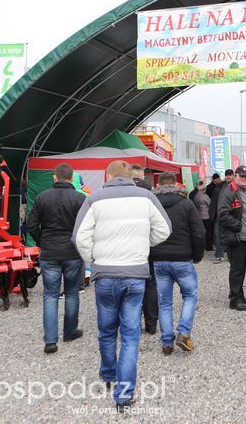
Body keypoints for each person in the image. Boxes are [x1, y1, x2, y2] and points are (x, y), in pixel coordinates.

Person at [74, 160, 171, 411]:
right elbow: (164, 229)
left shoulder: (93, 200)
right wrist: (143, 244)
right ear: (131, 176)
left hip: (105, 274)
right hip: (135, 274)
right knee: (130, 336)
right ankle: (125, 393)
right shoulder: (147, 197)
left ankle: (108, 373)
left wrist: (93, 261)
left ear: (108, 175)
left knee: (106, 330)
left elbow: (80, 237)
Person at [26, 163, 87, 354]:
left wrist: (42, 241)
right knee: (71, 293)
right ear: (71, 179)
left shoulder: (42, 197)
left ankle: (50, 340)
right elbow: (85, 226)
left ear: (55, 178)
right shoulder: (80, 198)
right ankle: (70, 331)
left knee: (50, 296)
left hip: (50, 252)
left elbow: (31, 225)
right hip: (72, 252)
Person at [151, 172, 205, 354]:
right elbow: (199, 232)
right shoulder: (186, 203)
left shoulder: (153, 205)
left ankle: (167, 343)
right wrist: (197, 255)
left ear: (158, 184)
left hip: (158, 258)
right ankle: (183, 332)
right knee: (190, 296)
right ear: (176, 183)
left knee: (164, 302)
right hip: (182, 258)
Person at [217, 165, 246, 311]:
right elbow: (223, 215)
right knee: (236, 269)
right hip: (239, 237)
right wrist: (239, 226)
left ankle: (240, 295)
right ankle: (234, 300)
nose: (244, 179)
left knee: (243, 267)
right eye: (241, 176)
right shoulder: (229, 192)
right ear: (235, 176)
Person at [131, 163, 158, 334]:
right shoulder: (151, 194)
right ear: (142, 176)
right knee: (150, 285)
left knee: (131, 285)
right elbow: (160, 225)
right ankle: (151, 324)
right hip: (147, 245)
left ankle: (132, 325)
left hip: (127, 247)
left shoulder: (121, 194)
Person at [208, 169, 235, 263]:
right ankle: (219, 255)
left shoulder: (237, 186)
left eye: (230, 175)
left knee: (231, 234)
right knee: (217, 233)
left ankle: (231, 255)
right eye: (227, 175)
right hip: (219, 214)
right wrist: (211, 213)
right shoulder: (219, 186)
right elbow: (213, 200)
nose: (228, 176)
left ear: (233, 176)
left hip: (232, 214)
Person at [193, 181, 212, 247]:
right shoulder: (205, 196)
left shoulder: (196, 196)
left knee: (202, 232)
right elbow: (210, 204)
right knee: (208, 232)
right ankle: (208, 246)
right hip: (206, 216)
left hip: (199, 216)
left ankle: (202, 245)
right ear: (204, 189)